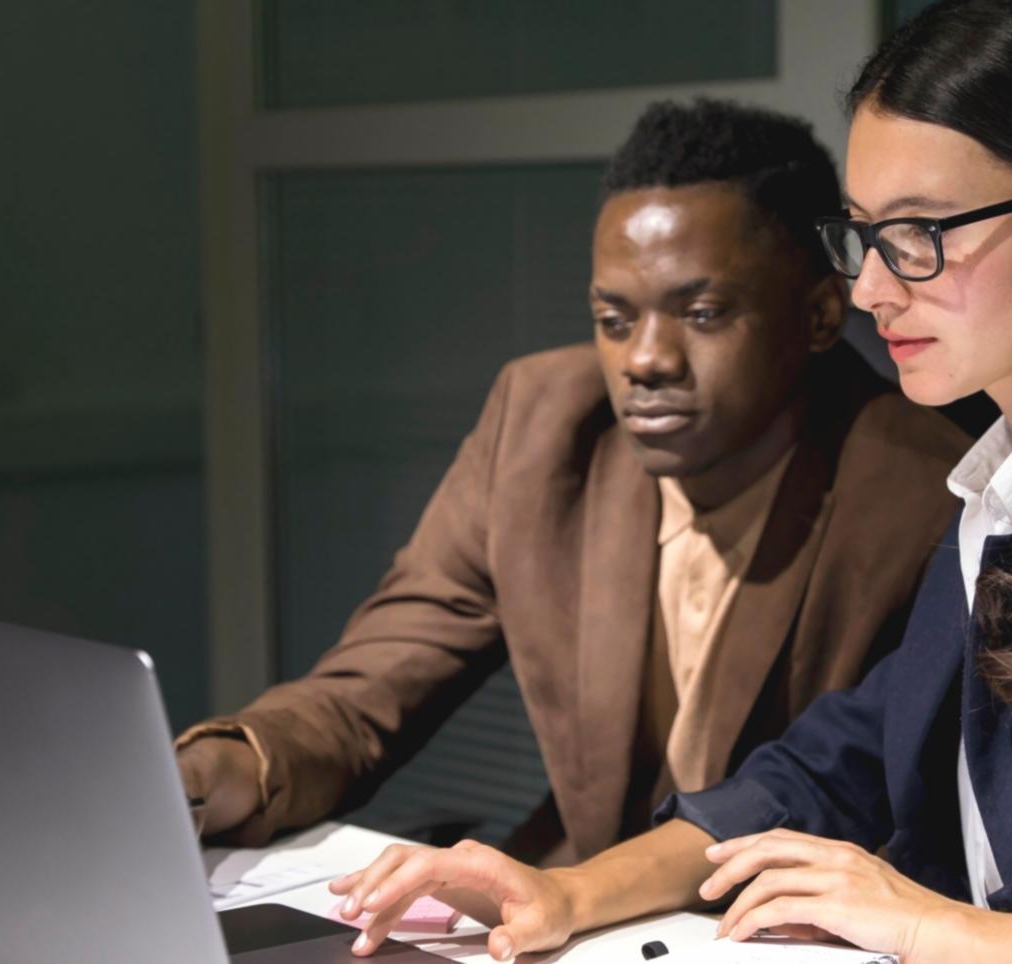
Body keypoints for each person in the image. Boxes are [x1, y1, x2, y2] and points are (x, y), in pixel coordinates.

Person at [328, 2, 1012, 961]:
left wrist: (926, 923)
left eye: (919, 235)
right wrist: (567, 890)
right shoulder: (1004, 483)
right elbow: (843, 759)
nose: (871, 288)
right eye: (864, 235)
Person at [176, 98, 969, 866]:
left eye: (700, 313)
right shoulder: (541, 425)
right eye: (613, 320)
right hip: (566, 900)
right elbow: (377, 680)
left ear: (821, 316)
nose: (643, 360)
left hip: (789, 921)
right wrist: (227, 767)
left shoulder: (926, 488)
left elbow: (899, 804)